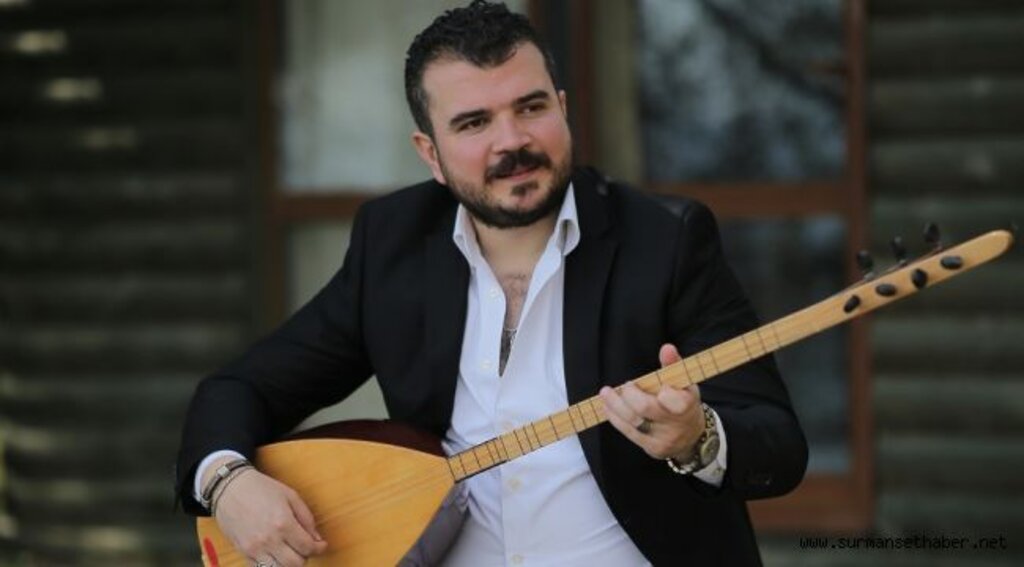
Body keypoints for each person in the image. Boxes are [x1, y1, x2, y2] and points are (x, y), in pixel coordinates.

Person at [176, 1, 808, 565]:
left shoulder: (665, 241)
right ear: (430, 154)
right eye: (474, 123)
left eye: (531, 107)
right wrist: (228, 483)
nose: (513, 141)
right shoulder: (393, 243)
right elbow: (240, 388)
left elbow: (778, 443)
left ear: (563, 109)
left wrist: (697, 439)